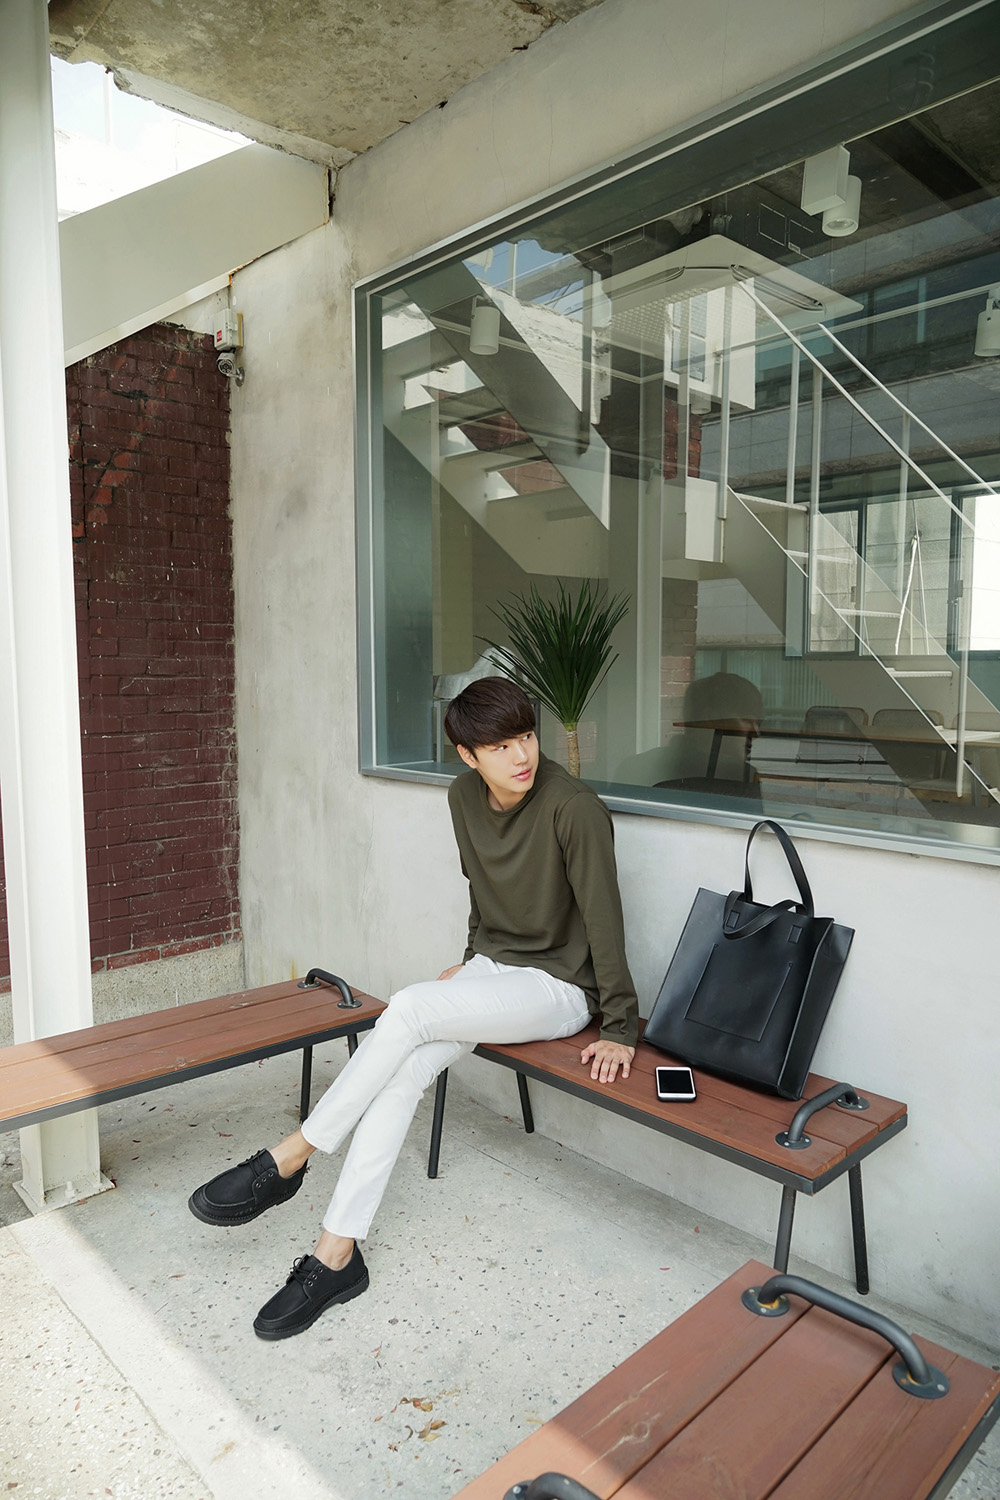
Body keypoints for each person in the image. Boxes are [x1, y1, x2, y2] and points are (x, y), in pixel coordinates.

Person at [188, 677, 639, 1340]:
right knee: (403, 1070)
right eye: (500, 746)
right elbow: (482, 890)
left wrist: (621, 1025)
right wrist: (472, 962)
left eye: (526, 736)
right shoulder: (463, 798)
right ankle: (335, 1255)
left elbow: (605, 920)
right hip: (494, 972)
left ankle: (293, 1155)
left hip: (560, 988)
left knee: (407, 1008)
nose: (521, 755)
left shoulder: (575, 809)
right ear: (468, 756)